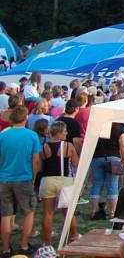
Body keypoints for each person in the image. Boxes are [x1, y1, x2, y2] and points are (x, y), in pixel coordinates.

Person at [0, 105, 42, 256]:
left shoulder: (3, 136)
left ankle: (5, 248)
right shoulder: (31, 135)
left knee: (6, 215)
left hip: (4, 178)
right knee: (28, 212)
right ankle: (24, 245)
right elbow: (36, 161)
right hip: (24, 178)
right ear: (26, 118)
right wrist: (34, 177)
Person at [39, 121, 79, 246]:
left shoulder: (44, 146)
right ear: (59, 133)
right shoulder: (68, 146)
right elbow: (75, 163)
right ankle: (73, 236)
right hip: (64, 180)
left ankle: (48, 243)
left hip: (47, 180)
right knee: (68, 212)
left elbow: (40, 167)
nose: (66, 133)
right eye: (65, 131)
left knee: (48, 212)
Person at [90, 117, 124, 220]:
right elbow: (123, 146)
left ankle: (94, 211)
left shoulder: (96, 127)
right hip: (113, 158)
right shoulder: (119, 128)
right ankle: (111, 212)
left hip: (97, 157)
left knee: (96, 185)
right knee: (112, 186)